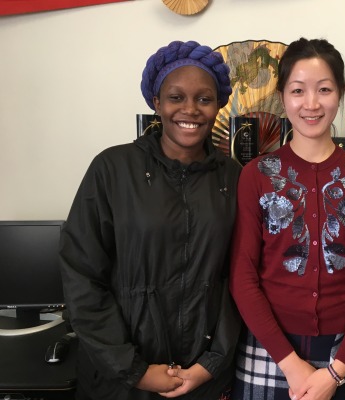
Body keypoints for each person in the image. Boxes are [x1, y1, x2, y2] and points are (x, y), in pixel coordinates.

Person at [59, 40, 241, 400]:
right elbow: (82, 275)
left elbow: (239, 277)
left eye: (204, 99)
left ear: (218, 105)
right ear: (156, 102)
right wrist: (135, 371)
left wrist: (212, 363)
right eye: (176, 97)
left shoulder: (233, 178)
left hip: (202, 378)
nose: (190, 109)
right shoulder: (112, 169)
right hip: (119, 379)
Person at [229, 37, 345, 400]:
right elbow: (242, 276)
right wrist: (290, 363)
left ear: (341, 93)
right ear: (282, 96)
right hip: (270, 348)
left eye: (325, 89)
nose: (311, 104)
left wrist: (337, 370)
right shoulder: (256, 174)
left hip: (344, 352)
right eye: (298, 90)